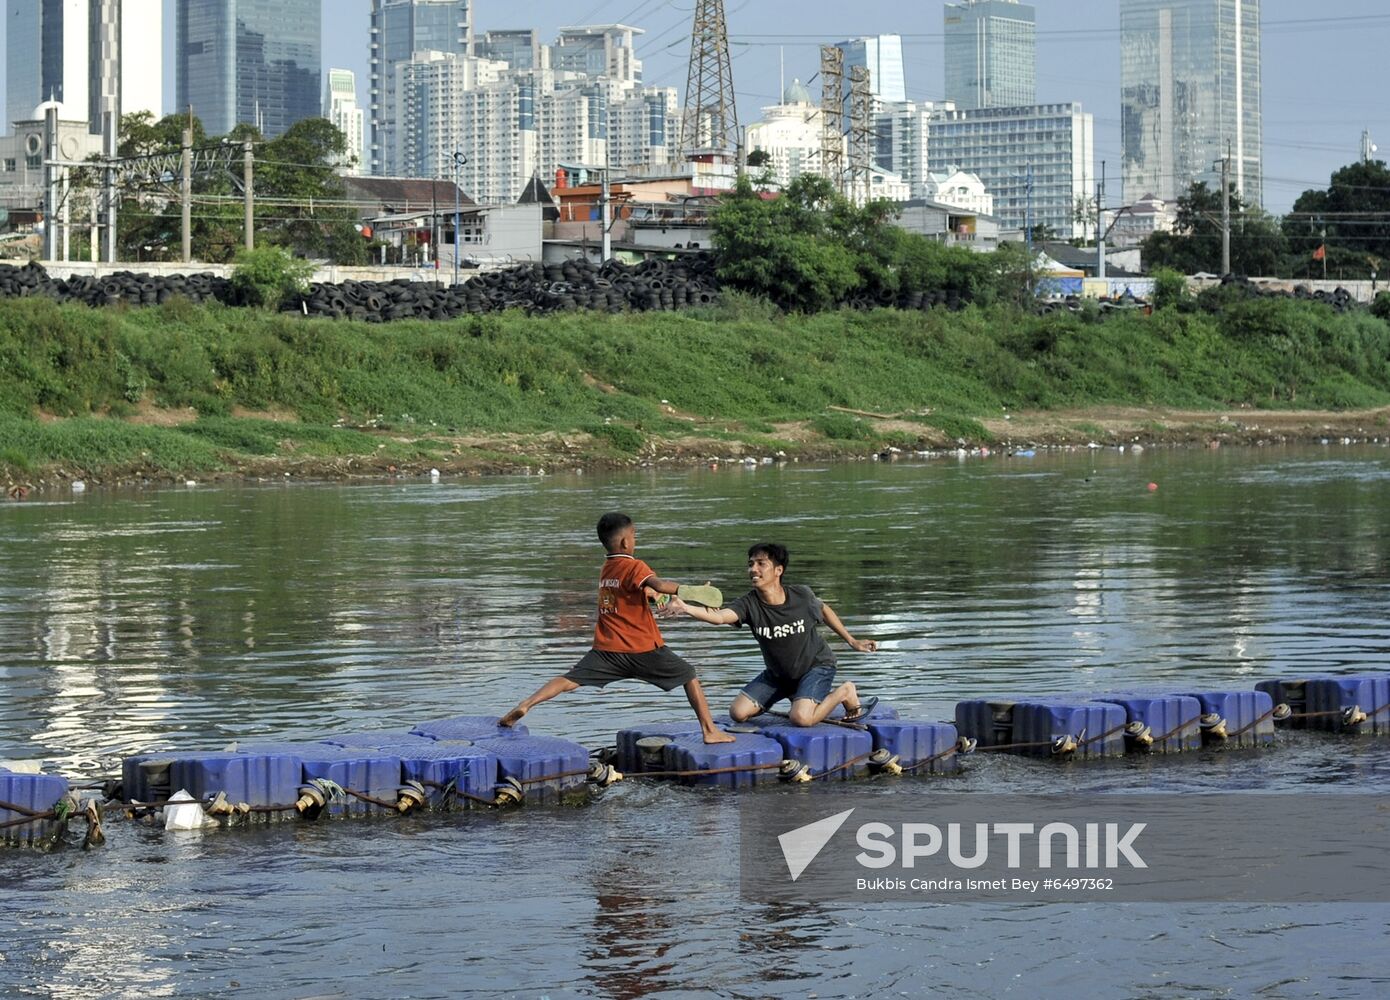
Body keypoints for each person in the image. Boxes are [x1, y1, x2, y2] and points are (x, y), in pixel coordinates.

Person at [500, 512, 736, 744]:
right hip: (643, 649)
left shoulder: (608, 569)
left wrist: (655, 598)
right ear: (625, 541)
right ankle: (709, 731)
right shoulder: (636, 567)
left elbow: (634, 593)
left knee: (569, 679)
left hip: (607, 650)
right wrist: (693, 592)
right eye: (634, 535)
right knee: (689, 675)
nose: (635, 540)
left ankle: (526, 704)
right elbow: (659, 584)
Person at [659, 542, 878, 727]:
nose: (753, 569)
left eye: (761, 564)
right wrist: (686, 607)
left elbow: (823, 609)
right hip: (778, 675)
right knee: (738, 712)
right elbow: (720, 617)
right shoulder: (749, 603)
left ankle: (845, 692)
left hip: (816, 667)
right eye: (751, 564)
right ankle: (797, 695)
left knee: (801, 718)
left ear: (778, 570)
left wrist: (851, 640)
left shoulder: (801, 595)